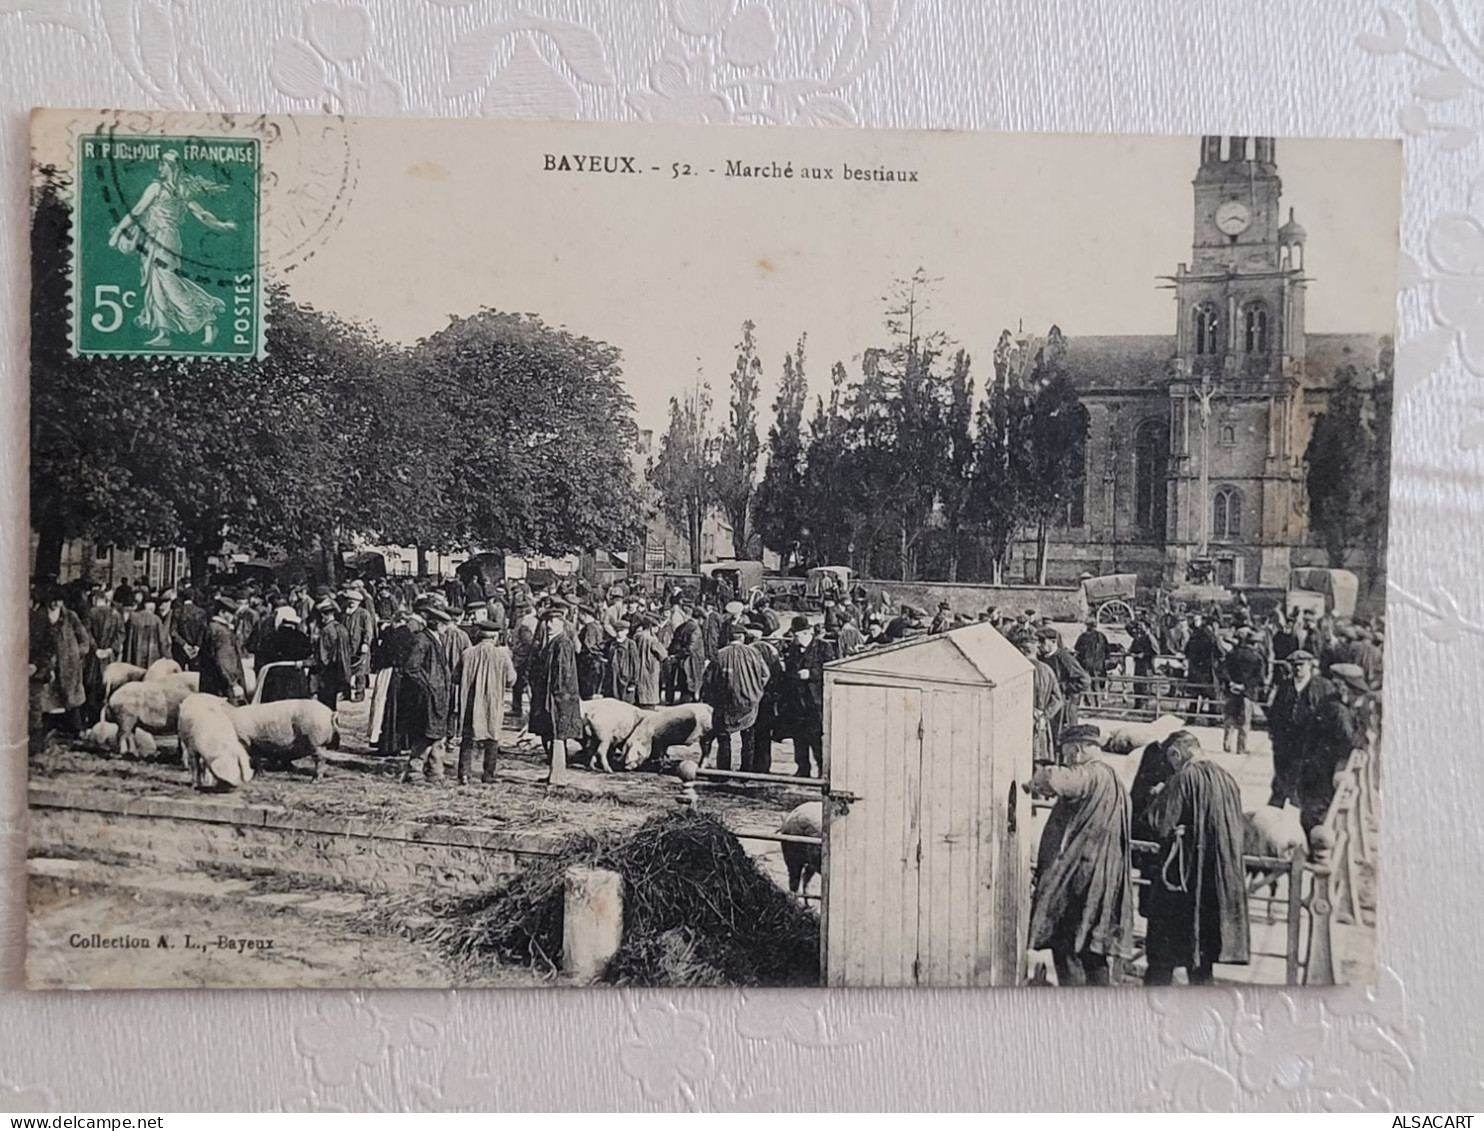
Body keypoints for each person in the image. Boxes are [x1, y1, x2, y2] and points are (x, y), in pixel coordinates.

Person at [1028, 724, 1134, 987]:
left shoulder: (1089, 774)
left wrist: (1032, 783)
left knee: (1067, 945)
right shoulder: (1115, 781)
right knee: (1092, 950)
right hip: (1106, 875)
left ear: (1077, 749)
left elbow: (1056, 778)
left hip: (1080, 878)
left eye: (1066, 754)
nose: (1065, 760)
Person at [1141, 731, 1250, 985]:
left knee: (1161, 957)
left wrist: (1159, 794)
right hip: (1219, 881)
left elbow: (1157, 824)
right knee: (1202, 961)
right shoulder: (1227, 778)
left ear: (1175, 754)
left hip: (1185, 882)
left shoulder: (1184, 778)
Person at [1268, 651, 1361, 832]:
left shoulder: (1323, 687)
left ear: (1310, 665)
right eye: (1294, 665)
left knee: (1310, 789)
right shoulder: (1285, 687)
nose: (1298, 669)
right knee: (1282, 783)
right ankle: (1277, 819)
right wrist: (1276, 738)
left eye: (1301, 665)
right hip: (1287, 747)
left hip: (1312, 748)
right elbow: (1275, 714)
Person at [702, 622, 771, 772]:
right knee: (748, 738)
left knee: (724, 738)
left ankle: (723, 771)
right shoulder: (754, 653)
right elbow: (765, 675)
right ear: (742, 637)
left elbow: (708, 680)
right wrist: (756, 690)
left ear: (728, 638)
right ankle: (746, 771)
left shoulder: (720, 655)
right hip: (749, 703)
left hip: (725, 703)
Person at [455, 622, 517, 785]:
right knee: (492, 736)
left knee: (468, 737)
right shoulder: (502, 655)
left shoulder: (467, 653)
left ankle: (464, 774)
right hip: (492, 701)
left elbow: (456, 677)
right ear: (495, 637)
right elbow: (511, 679)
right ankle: (488, 774)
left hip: (470, 701)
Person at [399, 605, 454, 784]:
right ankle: (414, 772)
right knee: (424, 735)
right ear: (437, 624)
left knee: (438, 736)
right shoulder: (422, 640)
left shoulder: (435, 639)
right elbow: (411, 668)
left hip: (438, 696)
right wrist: (428, 687)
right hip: (428, 698)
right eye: (445, 624)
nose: (447, 628)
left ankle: (435, 772)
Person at [529, 599, 582, 783]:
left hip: (558, 698)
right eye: (548, 621)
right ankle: (554, 772)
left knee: (558, 736)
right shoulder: (550, 642)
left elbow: (562, 674)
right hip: (548, 696)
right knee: (549, 734)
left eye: (555, 621)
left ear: (562, 623)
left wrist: (558, 697)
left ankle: (558, 775)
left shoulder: (563, 643)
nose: (550, 625)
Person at [30, 587, 92, 738]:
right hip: (48, 661)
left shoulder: (70, 616)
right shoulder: (40, 616)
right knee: (49, 694)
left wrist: (79, 652)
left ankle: (75, 728)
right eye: (52, 601)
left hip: (69, 661)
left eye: (58, 601)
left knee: (71, 694)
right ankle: (48, 727)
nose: (55, 604)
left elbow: (83, 636)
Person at [786, 616, 834, 777]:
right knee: (799, 738)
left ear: (807, 633)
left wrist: (811, 674)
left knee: (818, 738)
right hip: (797, 702)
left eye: (797, 635)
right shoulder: (793, 649)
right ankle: (802, 768)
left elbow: (830, 671)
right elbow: (789, 672)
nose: (794, 638)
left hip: (816, 702)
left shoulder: (823, 647)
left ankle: (823, 770)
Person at [1016, 631, 1064, 765]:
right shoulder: (1047, 670)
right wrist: (1044, 716)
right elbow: (1058, 700)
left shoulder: (1017, 669)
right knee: (1039, 759)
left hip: (1021, 722)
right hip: (1041, 723)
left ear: (1021, 650)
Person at [1220, 627, 1267, 755]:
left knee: (1230, 718)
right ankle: (1241, 748)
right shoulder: (1257, 658)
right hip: (1247, 693)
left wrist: (1231, 683)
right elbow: (1259, 678)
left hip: (1231, 691)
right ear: (1255, 644)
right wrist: (1244, 686)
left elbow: (1223, 670)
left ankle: (1227, 744)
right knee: (1245, 721)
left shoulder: (1232, 654)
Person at [1038, 627, 1091, 736]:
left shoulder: (1064, 658)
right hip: (1048, 706)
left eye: (1042, 641)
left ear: (1053, 641)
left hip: (1064, 708)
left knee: (1061, 738)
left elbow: (1085, 680)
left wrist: (1063, 688)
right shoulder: (1041, 658)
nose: (1039, 644)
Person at [253, 605, 313, 702]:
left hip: (275, 676)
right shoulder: (301, 637)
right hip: (295, 675)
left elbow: (263, 654)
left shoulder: (271, 636)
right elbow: (308, 652)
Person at [83, 588, 125, 718]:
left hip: (93, 657)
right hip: (109, 657)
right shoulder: (116, 614)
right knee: (108, 684)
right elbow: (121, 634)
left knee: (91, 685)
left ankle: (92, 718)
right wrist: (111, 649)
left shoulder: (90, 613)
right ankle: (106, 715)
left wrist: (96, 649)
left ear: (95, 600)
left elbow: (86, 634)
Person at [199, 595, 246, 704]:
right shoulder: (222, 632)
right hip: (223, 688)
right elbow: (223, 660)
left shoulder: (212, 627)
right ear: (222, 612)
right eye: (231, 614)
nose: (233, 617)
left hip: (211, 685)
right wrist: (233, 684)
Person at [312, 599, 353, 712]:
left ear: (324, 615)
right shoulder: (342, 628)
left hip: (328, 669)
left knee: (325, 701)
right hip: (340, 667)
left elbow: (323, 654)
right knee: (333, 700)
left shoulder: (326, 630)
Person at [667, 603, 707, 704]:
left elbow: (673, 645)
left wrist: (675, 656)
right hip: (691, 663)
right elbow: (691, 648)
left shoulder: (681, 627)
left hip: (681, 663)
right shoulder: (695, 629)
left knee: (683, 687)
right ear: (700, 618)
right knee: (691, 689)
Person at [342, 589, 376, 702]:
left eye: (354, 601)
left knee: (360, 671)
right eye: (350, 600)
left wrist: (366, 643)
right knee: (346, 669)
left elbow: (368, 630)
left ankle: (359, 693)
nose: (352, 602)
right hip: (347, 646)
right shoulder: (345, 613)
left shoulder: (364, 614)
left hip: (359, 645)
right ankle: (345, 692)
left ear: (359, 602)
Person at [123, 593, 170, 669]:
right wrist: (168, 658)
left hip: (135, 656)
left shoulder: (134, 618)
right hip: (153, 657)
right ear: (153, 607)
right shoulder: (156, 620)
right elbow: (162, 641)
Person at [632, 615, 667, 709]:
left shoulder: (636, 636)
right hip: (650, 670)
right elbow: (663, 655)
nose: (657, 629)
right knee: (649, 695)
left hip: (637, 669)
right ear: (651, 626)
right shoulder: (652, 639)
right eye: (656, 627)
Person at [604, 618, 641, 704]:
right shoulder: (612, 644)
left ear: (627, 631)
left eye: (622, 631)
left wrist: (633, 682)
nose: (619, 633)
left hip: (626, 679)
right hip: (613, 678)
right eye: (617, 631)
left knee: (627, 703)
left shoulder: (631, 644)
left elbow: (636, 664)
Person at [1073, 619, 1109, 705]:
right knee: (1097, 684)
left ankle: (1089, 703)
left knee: (1087, 684)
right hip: (1098, 665)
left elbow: (1077, 649)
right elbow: (1107, 650)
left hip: (1086, 664)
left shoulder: (1083, 637)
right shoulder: (1101, 636)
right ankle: (1098, 703)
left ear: (1088, 626)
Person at [576, 604, 607, 700]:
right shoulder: (595, 626)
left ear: (584, 615)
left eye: (579, 614)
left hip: (589, 663)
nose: (578, 616)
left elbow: (588, 645)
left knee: (588, 692)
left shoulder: (590, 627)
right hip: (593, 662)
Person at [1128, 617, 1159, 711]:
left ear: (1147, 627)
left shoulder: (1150, 637)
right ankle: (1138, 705)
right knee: (1137, 684)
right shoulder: (1139, 638)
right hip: (1138, 665)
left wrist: (1144, 654)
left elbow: (1156, 651)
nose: (1139, 627)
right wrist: (1131, 652)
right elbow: (1133, 648)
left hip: (1147, 665)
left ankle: (1146, 707)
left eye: (1142, 626)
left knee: (1145, 685)